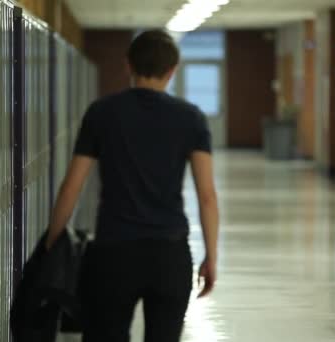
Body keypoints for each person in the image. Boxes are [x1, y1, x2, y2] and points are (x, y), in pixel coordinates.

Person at [45, 29, 219, 342]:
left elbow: (71, 187)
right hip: (169, 254)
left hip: (114, 253)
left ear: (128, 65)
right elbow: (207, 196)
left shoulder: (102, 113)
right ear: (172, 71)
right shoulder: (191, 118)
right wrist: (211, 256)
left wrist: (52, 246)